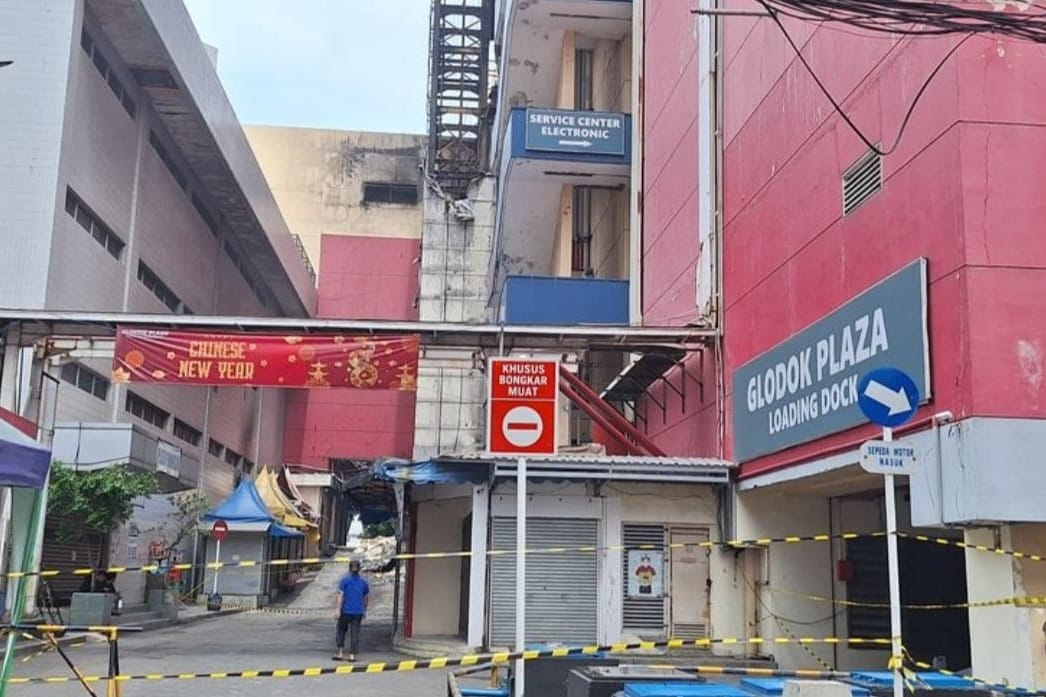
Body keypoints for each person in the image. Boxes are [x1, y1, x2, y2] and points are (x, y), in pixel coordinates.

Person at [333, 559, 369, 662]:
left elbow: (340, 596)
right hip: (357, 612)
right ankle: (352, 655)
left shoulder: (344, 581)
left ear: (349, 569)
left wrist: (337, 609)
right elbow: (366, 598)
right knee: (355, 633)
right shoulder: (364, 583)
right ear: (359, 569)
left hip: (345, 611)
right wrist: (364, 610)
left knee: (341, 630)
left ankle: (340, 653)